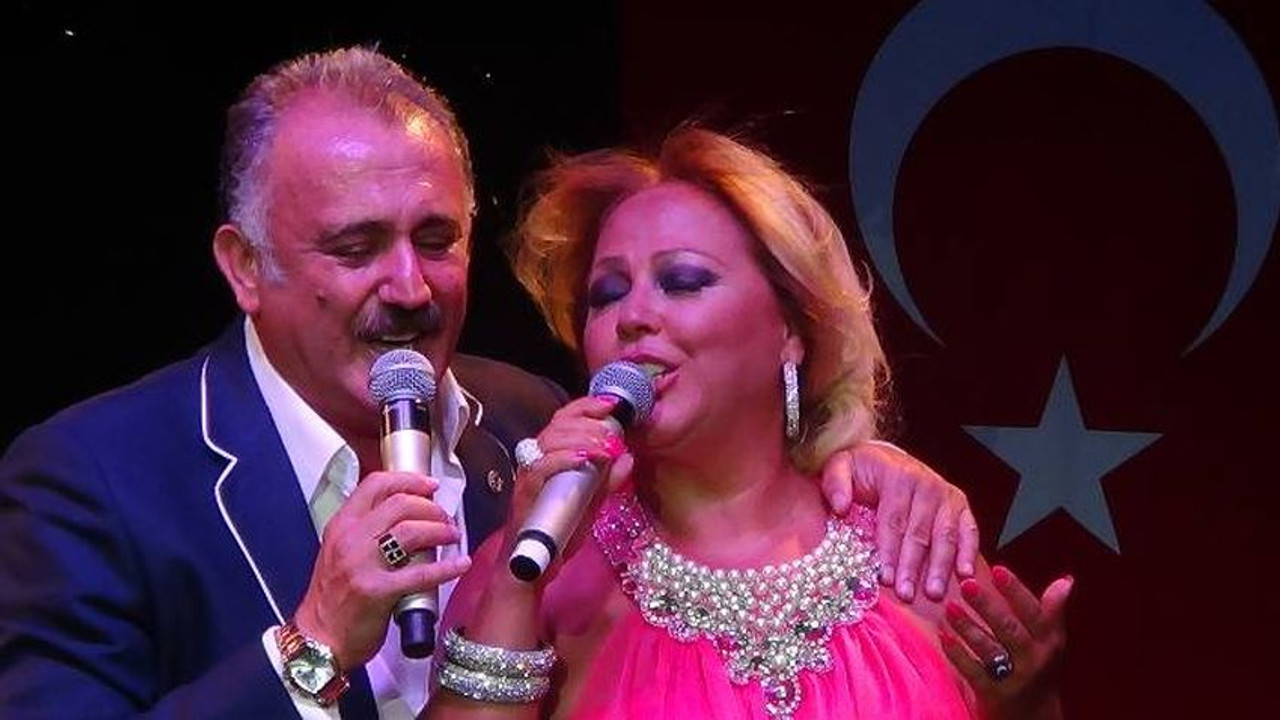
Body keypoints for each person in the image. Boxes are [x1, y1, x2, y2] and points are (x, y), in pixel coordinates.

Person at [0, 48, 981, 719]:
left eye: (436, 240)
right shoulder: (92, 478)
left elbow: (729, 473)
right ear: (245, 267)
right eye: (355, 248)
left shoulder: (530, 424)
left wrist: (854, 459)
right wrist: (312, 646)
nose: (408, 288)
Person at [427, 128, 1071, 719]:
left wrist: (1026, 704)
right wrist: (519, 581)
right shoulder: (542, 570)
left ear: (791, 329)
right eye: (607, 293)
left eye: (682, 281)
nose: (633, 316)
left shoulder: (912, 548)